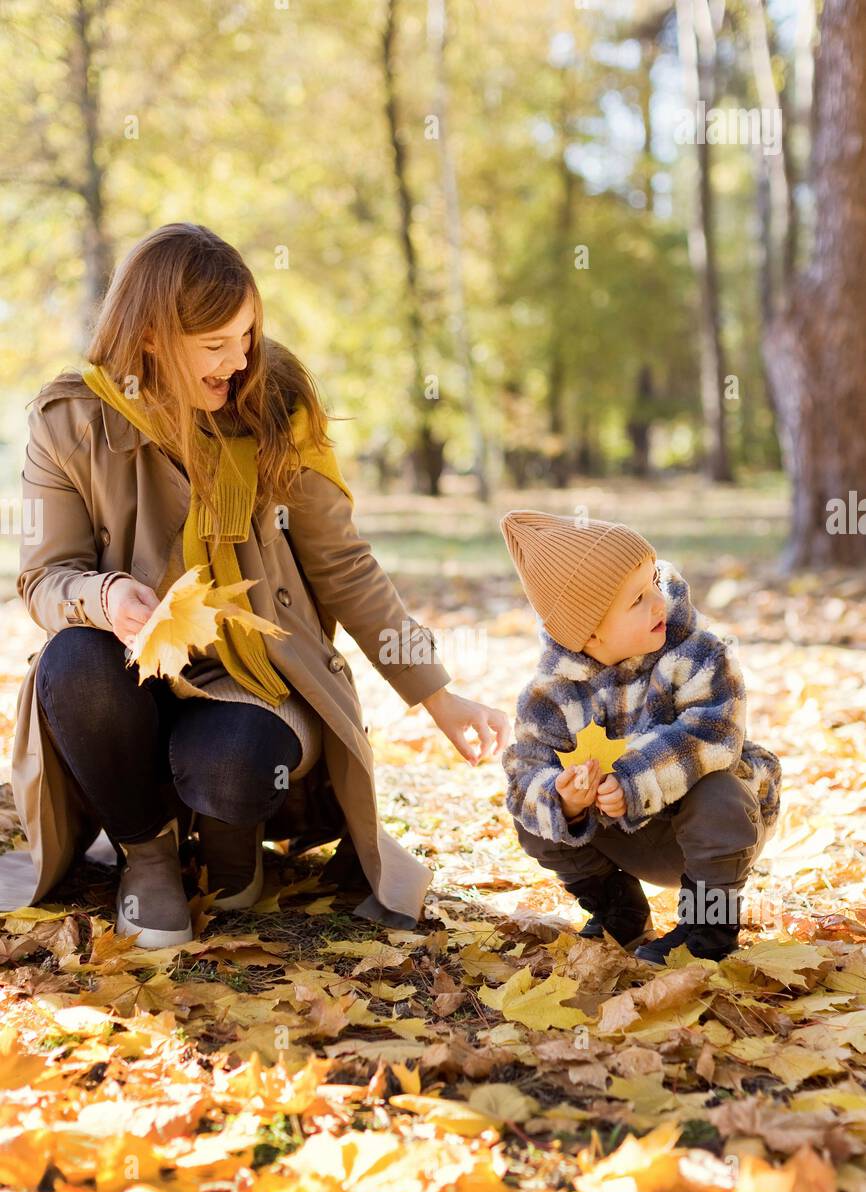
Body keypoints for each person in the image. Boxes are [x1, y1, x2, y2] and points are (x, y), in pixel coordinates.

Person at [12, 222, 509, 949]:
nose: (239, 360)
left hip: (259, 678)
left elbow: (343, 563)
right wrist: (107, 595)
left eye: (246, 336)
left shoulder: (274, 403)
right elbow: (44, 577)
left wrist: (435, 691)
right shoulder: (69, 423)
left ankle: (228, 856)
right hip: (131, 669)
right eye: (216, 345)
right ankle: (146, 857)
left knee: (236, 765)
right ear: (151, 337)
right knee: (72, 665)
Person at [499, 510, 781, 965]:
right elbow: (524, 775)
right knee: (533, 811)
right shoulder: (551, 695)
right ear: (586, 632)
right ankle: (620, 911)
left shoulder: (699, 652)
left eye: (654, 582)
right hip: (623, 838)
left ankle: (707, 931)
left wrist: (633, 780)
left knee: (720, 791)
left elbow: (714, 734)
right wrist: (565, 801)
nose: (658, 603)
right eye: (637, 600)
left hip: (717, 834)